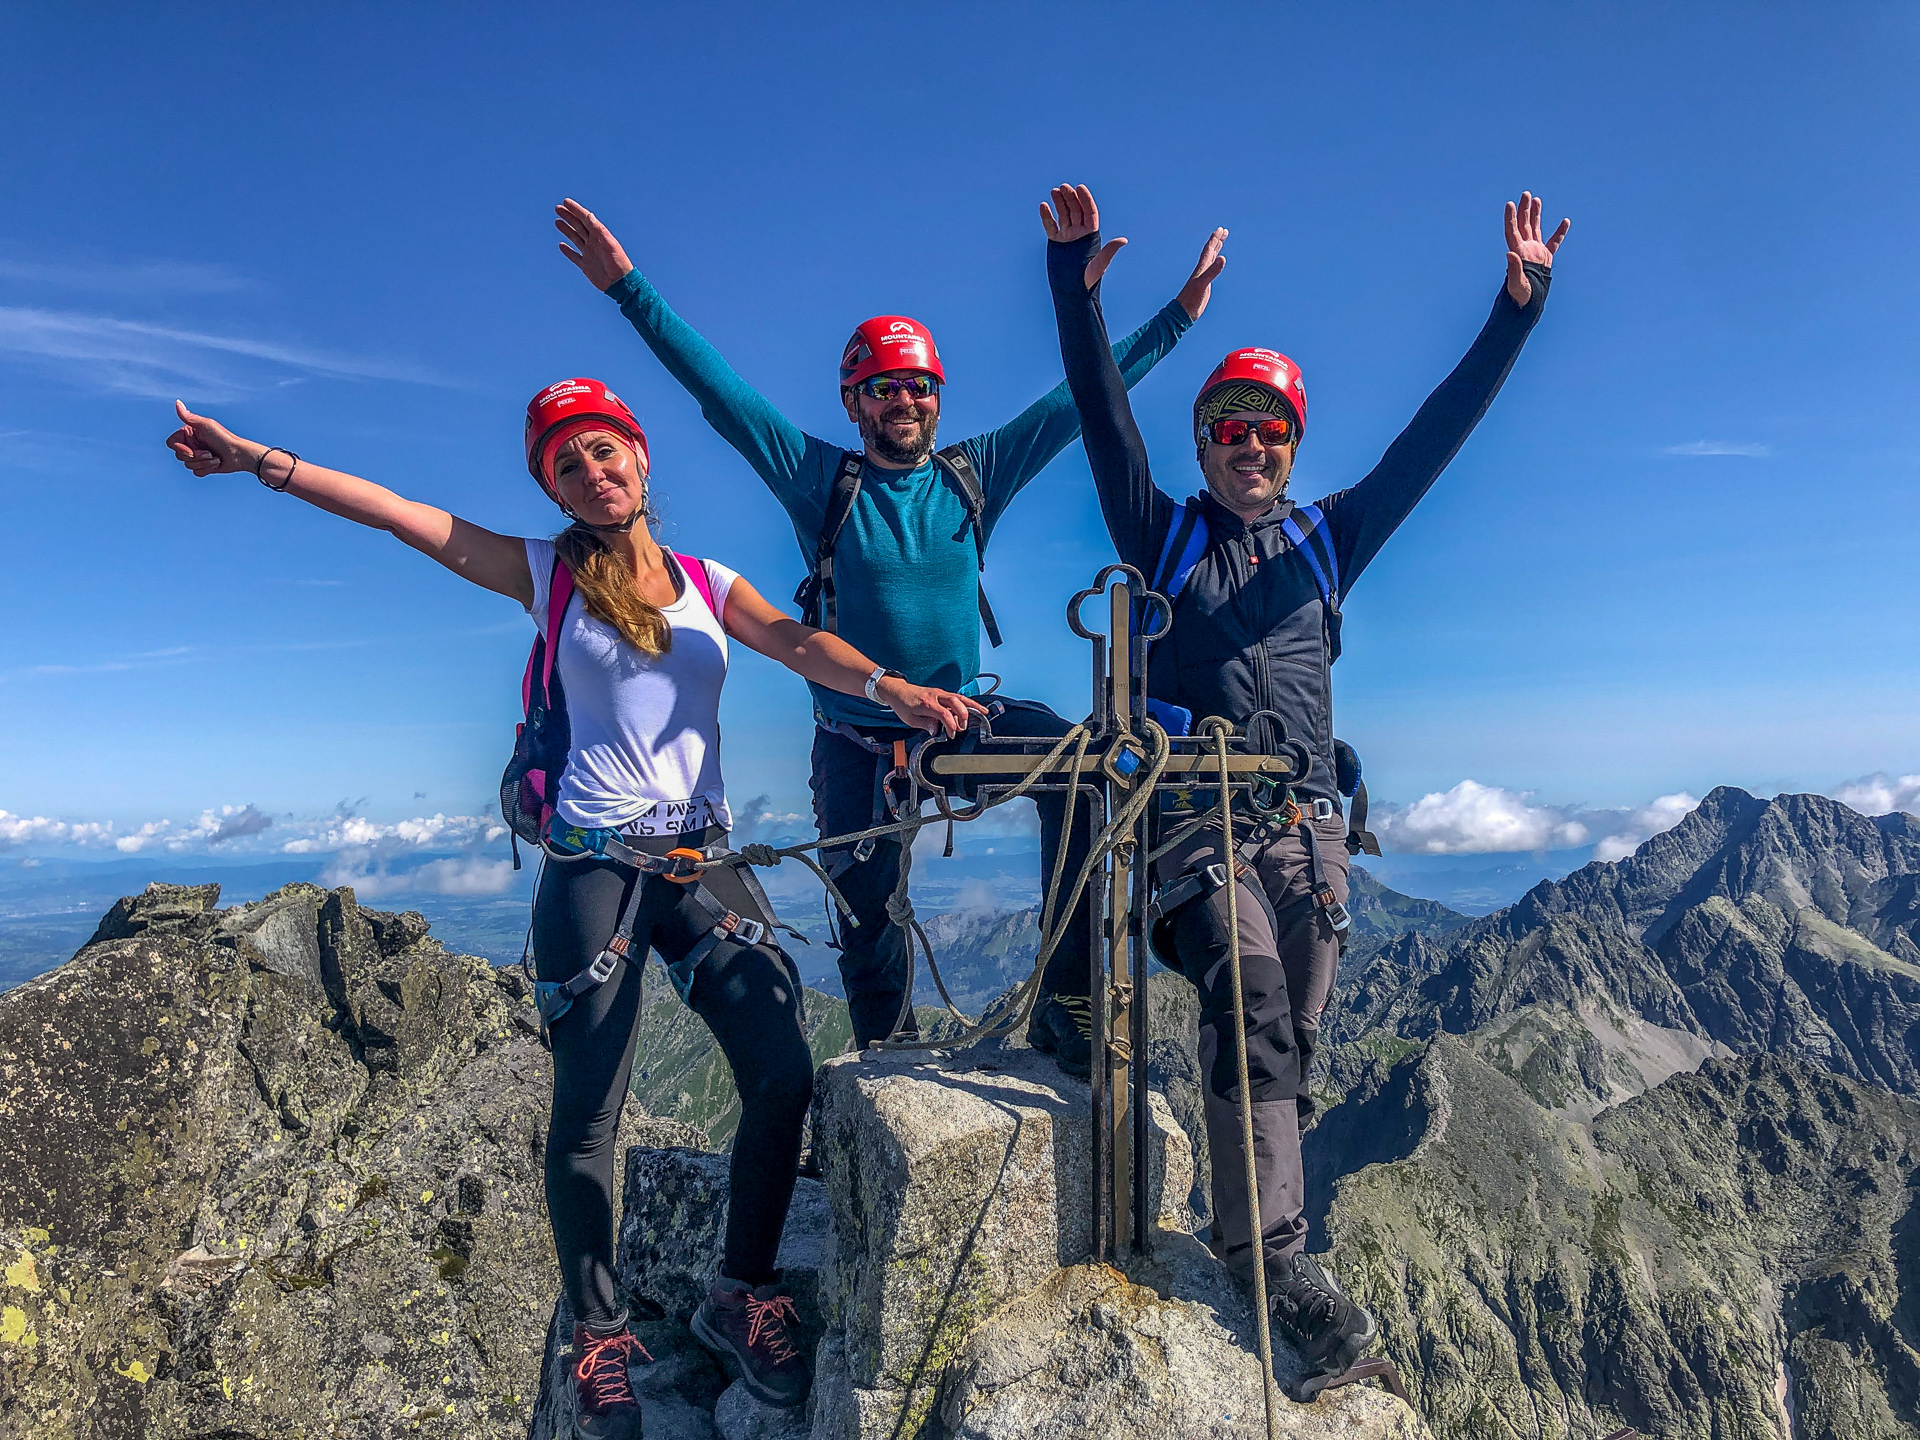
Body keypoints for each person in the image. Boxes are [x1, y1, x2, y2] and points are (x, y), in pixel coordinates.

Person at [164, 381, 981, 1436]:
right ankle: (594, 1339)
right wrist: (261, 462)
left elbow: (796, 642)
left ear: (641, 461)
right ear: (552, 485)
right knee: (589, 1113)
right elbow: (397, 513)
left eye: (605, 453)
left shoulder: (704, 581)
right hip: (594, 871)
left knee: (781, 1067)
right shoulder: (544, 573)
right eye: (567, 465)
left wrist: (892, 690)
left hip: (701, 860)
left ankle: (741, 1293)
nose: (592, 474)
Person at [1042, 183, 1567, 1379]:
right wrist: (1075, 295)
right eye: (1229, 425)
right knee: (1251, 998)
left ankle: (1263, 1223)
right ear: (1203, 444)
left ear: (1293, 443)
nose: (1249, 443)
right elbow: (1101, 415)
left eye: (1269, 428)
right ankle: (1270, 1260)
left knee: (1292, 1031)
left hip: (1307, 835)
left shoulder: (1332, 540)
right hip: (1195, 830)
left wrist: (1516, 312)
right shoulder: (1162, 535)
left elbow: (1431, 439)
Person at [551, 199, 1227, 1072]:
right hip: (857, 736)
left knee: (1084, 778)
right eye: (883, 386)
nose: (902, 399)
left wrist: (1176, 321)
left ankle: (1066, 1004)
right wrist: (628, 291)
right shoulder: (819, 480)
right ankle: (882, 1070)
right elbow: (721, 396)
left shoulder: (972, 475)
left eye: (917, 384)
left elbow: (1079, 403)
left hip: (960, 716)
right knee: (868, 921)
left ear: (937, 397)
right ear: (853, 401)